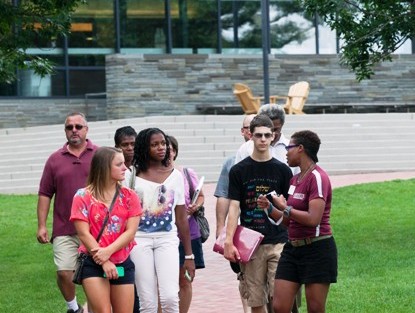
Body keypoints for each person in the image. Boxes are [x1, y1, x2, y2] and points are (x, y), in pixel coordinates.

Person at [258, 130, 337, 313]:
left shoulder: (318, 177)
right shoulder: (294, 180)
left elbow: (313, 219)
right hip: (293, 249)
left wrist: (284, 207)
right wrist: (269, 208)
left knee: (315, 309)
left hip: (317, 249)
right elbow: (288, 221)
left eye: (289, 147)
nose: (286, 152)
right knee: (280, 307)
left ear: (300, 148)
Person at [224, 114, 293, 313]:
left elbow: (287, 207)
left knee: (280, 301)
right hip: (250, 243)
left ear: (273, 137)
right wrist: (229, 241)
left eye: (267, 135)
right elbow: (234, 206)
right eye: (258, 135)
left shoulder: (283, 171)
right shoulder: (238, 171)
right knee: (256, 302)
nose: (263, 139)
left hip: (278, 241)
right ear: (250, 137)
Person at [125, 128, 195, 313]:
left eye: (163, 143)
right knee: (147, 302)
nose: (161, 148)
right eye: (154, 144)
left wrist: (189, 255)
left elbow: (181, 218)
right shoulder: (130, 175)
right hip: (139, 240)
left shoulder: (176, 176)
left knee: (170, 298)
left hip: (167, 239)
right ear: (143, 147)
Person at [36, 112, 98, 313]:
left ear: (86, 130)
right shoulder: (54, 160)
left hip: (96, 228)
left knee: (94, 275)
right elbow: (45, 193)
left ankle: (97, 308)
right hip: (64, 228)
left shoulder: (99, 155)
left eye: (78, 127)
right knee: (64, 272)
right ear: (65, 131)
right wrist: (42, 225)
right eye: (69, 127)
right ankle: (74, 308)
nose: (74, 130)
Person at [70, 147, 142, 313]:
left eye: (124, 163)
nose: (125, 168)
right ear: (104, 168)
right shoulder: (82, 196)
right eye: (119, 164)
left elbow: (130, 232)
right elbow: (83, 233)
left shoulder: (130, 196)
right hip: (92, 261)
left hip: (122, 261)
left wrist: (108, 252)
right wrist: (104, 260)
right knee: (103, 311)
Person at [215, 113, 254, 313]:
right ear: (243, 131)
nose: (252, 131)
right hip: (244, 230)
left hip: (271, 229)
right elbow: (223, 196)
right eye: (248, 127)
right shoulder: (232, 162)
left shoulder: (276, 158)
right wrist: (221, 231)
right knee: (244, 275)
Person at [167, 135, 205, 313]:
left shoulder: (187, 173)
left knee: (185, 280)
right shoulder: (152, 176)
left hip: (189, 234)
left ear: (175, 152)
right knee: (165, 282)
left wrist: (195, 206)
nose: (167, 152)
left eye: (171, 149)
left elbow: (201, 195)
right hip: (165, 235)